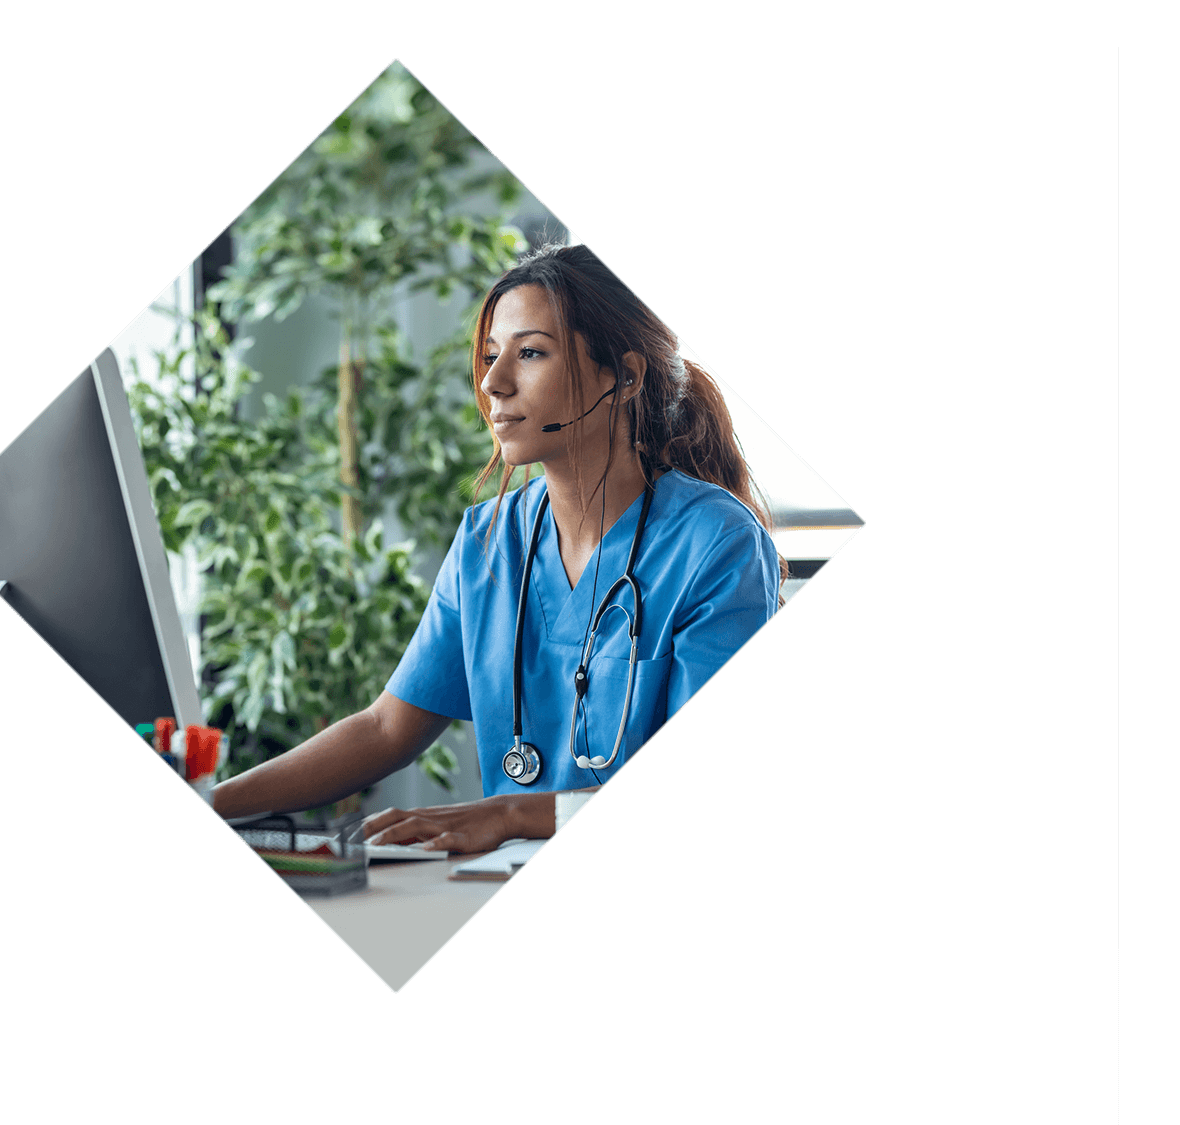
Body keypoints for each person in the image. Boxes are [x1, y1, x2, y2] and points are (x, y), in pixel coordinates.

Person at [210, 244, 782, 852]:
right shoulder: (488, 539)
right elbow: (384, 728)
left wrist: (511, 813)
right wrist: (211, 803)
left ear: (626, 375)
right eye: (489, 356)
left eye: (530, 353)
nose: (492, 383)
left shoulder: (717, 545)